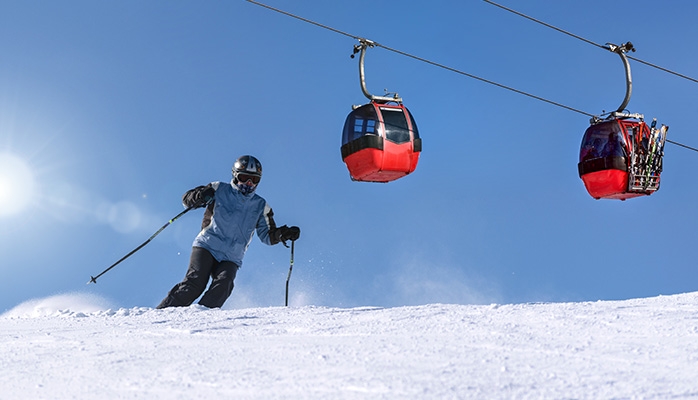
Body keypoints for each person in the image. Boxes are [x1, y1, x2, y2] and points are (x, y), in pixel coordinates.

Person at [156, 155, 300, 309]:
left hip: (232, 256)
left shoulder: (261, 206)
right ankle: (162, 315)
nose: (249, 183)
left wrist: (283, 234)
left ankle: (200, 318)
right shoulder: (219, 188)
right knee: (195, 284)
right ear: (235, 175)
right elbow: (187, 200)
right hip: (207, 245)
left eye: (254, 180)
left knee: (224, 285)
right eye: (244, 177)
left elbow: (268, 236)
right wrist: (201, 195)